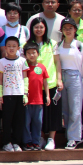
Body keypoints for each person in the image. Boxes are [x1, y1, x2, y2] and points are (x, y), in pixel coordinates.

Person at [27, 17, 61, 151]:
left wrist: (59, 79)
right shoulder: (28, 44)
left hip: (50, 82)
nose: (39, 30)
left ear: (45, 29)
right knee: (37, 116)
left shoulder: (52, 43)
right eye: (36, 27)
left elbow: (58, 62)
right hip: (34, 85)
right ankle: (40, 137)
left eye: (41, 27)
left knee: (52, 112)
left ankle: (51, 138)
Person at [56, 18, 83, 150]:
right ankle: (68, 134)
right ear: (62, 30)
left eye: (70, 28)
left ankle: (74, 138)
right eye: (65, 28)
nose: (68, 30)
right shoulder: (58, 45)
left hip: (75, 77)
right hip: (61, 77)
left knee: (75, 109)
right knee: (65, 109)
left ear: (75, 30)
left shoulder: (80, 46)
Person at [0, 36, 28, 152]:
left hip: (19, 94)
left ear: (18, 48)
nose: (11, 48)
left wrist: (26, 93)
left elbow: (25, 78)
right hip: (7, 94)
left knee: (19, 120)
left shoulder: (22, 61)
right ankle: (6, 142)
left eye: (14, 46)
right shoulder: (1, 62)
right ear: (5, 48)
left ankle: (16, 142)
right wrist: (0, 94)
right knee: (7, 120)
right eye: (9, 46)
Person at [22, 43, 50, 152]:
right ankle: (27, 142)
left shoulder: (42, 67)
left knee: (38, 122)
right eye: (28, 53)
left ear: (38, 54)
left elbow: (45, 82)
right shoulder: (25, 67)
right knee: (26, 123)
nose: (31, 55)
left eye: (33, 52)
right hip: (27, 101)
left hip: (38, 101)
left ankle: (36, 142)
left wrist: (47, 96)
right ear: (25, 55)